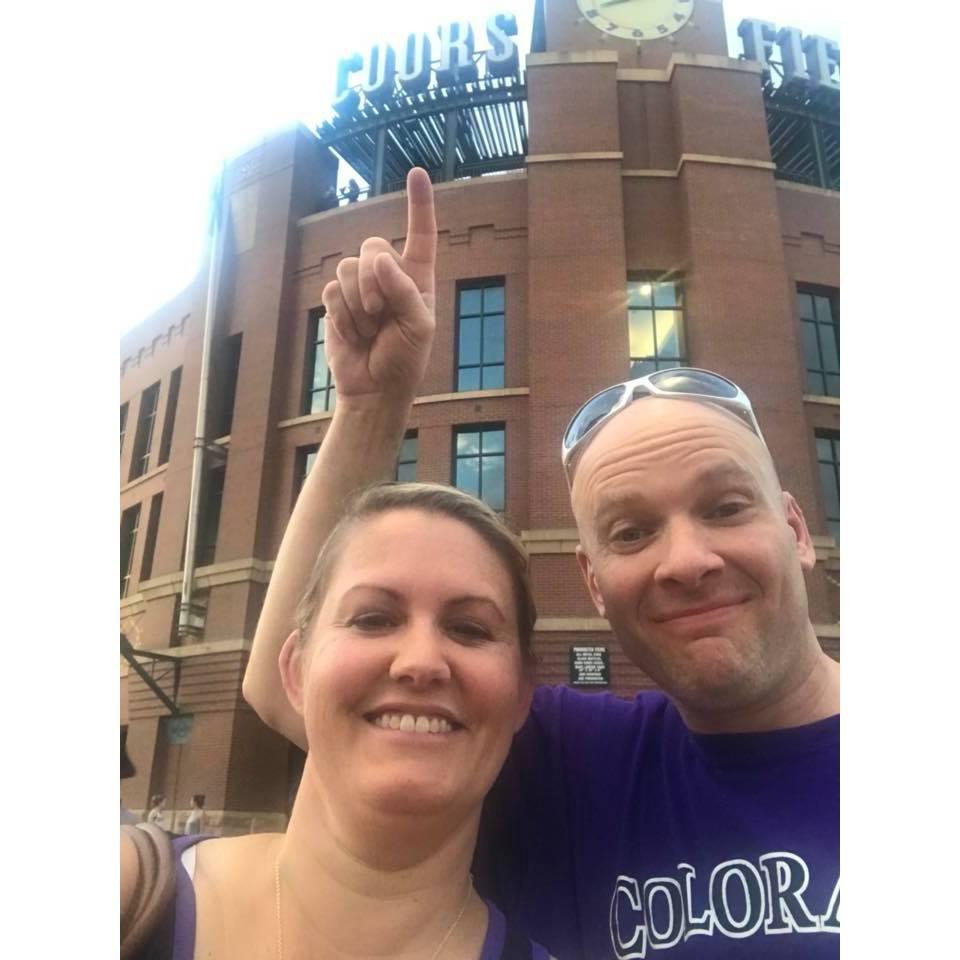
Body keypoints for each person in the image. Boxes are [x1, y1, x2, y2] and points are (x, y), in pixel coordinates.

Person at [242, 165, 840, 957]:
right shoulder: (576, 765)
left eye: (725, 508)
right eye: (631, 533)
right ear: (593, 584)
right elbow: (288, 688)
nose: (688, 560)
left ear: (796, 530)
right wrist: (370, 408)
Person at [121, 170, 556, 960]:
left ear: (526, 691)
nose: (420, 661)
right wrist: (366, 406)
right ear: (294, 668)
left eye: (469, 628)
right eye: (374, 617)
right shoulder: (124, 896)